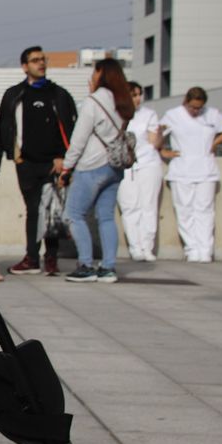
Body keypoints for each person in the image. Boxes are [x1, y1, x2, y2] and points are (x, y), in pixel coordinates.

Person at [0, 46, 76, 277]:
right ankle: (32, 258)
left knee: (51, 210)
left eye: (43, 59)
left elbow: (70, 129)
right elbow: (2, 128)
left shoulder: (58, 95)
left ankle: (51, 259)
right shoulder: (15, 95)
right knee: (33, 210)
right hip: (26, 163)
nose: (41, 63)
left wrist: (63, 158)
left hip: (53, 164)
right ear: (25, 66)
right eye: (35, 60)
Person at [59, 59, 135, 283]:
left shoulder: (93, 101)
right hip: (115, 167)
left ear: (102, 73)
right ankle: (108, 267)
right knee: (106, 217)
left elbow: (78, 139)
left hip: (91, 166)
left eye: (95, 71)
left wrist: (67, 166)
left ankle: (86, 265)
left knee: (74, 214)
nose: (92, 75)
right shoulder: (122, 101)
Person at [159, 87, 222, 262]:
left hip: (206, 170)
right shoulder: (173, 115)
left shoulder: (212, 114)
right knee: (184, 210)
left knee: (205, 211)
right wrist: (162, 151)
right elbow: (156, 134)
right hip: (182, 170)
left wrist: (216, 142)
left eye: (199, 108)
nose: (196, 111)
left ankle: (205, 250)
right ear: (185, 102)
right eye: (192, 107)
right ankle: (192, 249)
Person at [116, 82, 164, 262]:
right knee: (129, 206)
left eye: (139, 95)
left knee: (148, 206)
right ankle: (135, 247)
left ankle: (147, 246)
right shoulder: (116, 113)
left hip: (148, 163)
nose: (137, 99)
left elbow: (154, 142)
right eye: (133, 95)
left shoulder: (149, 114)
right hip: (125, 166)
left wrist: (161, 133)